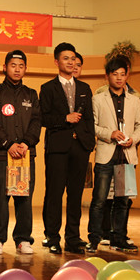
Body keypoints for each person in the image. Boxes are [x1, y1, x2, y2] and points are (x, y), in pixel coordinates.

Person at [39, 42, 94, 255]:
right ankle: (52, 237)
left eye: (73, 59)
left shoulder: (84, 88)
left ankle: (73, 238)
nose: (71, 62)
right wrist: (65, 118)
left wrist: (89, 142)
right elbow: (43, 118)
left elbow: (89, 119)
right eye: (66, 58)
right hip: (57, 147)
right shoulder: (47, 88)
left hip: (80, 147)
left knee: (75, 194)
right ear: (56, 62)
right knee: (54, 193)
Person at [0, 50, 41, 255]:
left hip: (25, 155)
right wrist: (8, 144)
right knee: (0, 197)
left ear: (25, 69)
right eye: (13, 65)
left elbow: (36, 122)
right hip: (2, 154)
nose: (17, 69)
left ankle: (23, 239)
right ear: (4, 67)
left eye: (21, 66)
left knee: (24, 198)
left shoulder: (31, 94)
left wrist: (26, 143)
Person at [88, 57, 140, 253]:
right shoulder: (98, 99)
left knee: (123, 201)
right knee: (99, 200)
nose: (119, 78)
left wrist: (133, 139)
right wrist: (109, 134)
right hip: (106, 154)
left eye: (123, 74)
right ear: (107, 76)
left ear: (127, 75)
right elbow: (92, 125)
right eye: (115, 74)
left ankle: (119, 239)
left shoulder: (134, 100)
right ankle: (94, 239)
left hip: (127, 156)